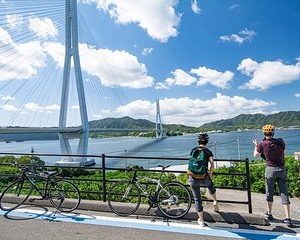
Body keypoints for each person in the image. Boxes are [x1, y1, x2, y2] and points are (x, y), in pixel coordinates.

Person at [253, 124, 292, 227]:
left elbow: (255, 156)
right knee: (284, 192)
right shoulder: (280, 141)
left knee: (269, 191)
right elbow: (285, 152)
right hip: (281, 169)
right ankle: (288, 218)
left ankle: (269, 213)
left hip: (270, 170)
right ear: (273, 133)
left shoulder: (262, 144)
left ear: (264, 133)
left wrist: (256, 146)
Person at [188, 133, 219, 227]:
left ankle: (201, 220)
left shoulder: (193, 150)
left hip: (193, 176)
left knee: (197, 198)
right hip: (204, 176)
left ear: (198, 141)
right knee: (210, 186)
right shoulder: (208, 151)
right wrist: (211, 173)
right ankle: (215, 201)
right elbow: (212, 163)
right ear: (207, 142)